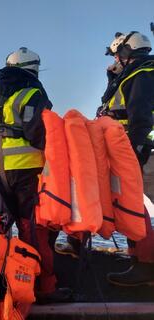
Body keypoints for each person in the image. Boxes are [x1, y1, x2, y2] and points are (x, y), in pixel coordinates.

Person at [0, 47, 72, 303]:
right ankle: (42, 288)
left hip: (0, 173)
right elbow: (37, 130)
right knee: (34, 229)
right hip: (28, 172)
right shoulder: (33, 93)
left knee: (1, 227)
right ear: (34, 69)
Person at [98, 31, 154, 286]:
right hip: (134, 150)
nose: (116, 59)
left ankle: (145, 265)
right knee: (130, 206)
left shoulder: (141, 74)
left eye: (118, 54)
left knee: (132, 207)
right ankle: (139, 259)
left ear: (127, 51)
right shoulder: (134, 74)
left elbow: (140, 115)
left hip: (139, 151)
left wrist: (136, 148)